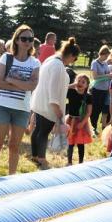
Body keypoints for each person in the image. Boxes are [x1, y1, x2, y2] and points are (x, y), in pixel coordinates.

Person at [0, 25, 40, 177]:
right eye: (24, 38)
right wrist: (23, 85)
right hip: (2, 106)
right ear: (16, 40)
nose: (27, 42)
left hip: (22, 109)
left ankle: (12, 178)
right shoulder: (6, 58)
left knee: (14, 146)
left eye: (30, 39)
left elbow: (32, 86)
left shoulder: (35, 62)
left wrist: (11, 79)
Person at [30, 37, 80, 169]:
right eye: (74, 59)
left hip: (40, 102)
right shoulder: (58, 66)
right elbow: (53, 91)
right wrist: (58, 110)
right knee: (44, 132)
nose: (73, 62)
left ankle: (35, 156)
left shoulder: (50, 60)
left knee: (38, 130)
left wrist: (70, 86)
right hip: (49, 106)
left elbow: (52, 84)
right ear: (71, 55)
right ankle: (41, 159)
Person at [66, 73, 93, 165]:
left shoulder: (88, 96)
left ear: (87, 85)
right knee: (70, 142)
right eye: (78, 81)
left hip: (81, 121)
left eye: (83, 82)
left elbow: (89, 112)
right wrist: (72, 85)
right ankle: (69, 162)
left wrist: (83, 123)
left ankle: (81, 162)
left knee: (80, 142)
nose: (80, 83)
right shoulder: (71, 92)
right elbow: (62, 89)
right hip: (70, 120)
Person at [89, 45, 112, 131]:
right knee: (95, 110)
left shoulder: (105, 63)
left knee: (102, 110)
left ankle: (99, 128)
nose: (107, 57)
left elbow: (108, 73)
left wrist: (110, 75)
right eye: (106, 55)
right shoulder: (95, 63)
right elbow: (95, 77)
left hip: (105, 91)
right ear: (102, 54)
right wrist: (107, 75)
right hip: (97, 90)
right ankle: (93, 128)